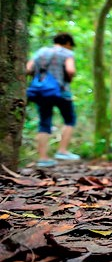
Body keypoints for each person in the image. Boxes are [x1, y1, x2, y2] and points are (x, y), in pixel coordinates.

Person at [26, 32, 80, 167]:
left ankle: (43, 158)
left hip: (42, 92)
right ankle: (62, 150)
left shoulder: (41, 52)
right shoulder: (67, 54)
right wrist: (68, 79)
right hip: (62, 91)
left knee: (44, 122)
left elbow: (28, 68)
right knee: (69, 120)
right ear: (68, 43)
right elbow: (71, 70)